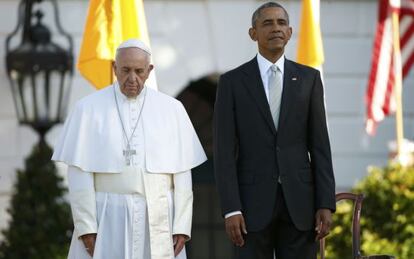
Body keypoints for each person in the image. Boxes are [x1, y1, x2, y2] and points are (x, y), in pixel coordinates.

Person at [52, 39, 207, 259]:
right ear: (115, 68)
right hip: (107, 216)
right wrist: (87, 226)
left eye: (139, 71)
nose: (132, 79)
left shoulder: (172, 109)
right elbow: (79, 174)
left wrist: (182, 225)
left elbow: (182, 174)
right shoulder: (88, 109)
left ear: (149, 70)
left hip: (158, 217)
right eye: (125, 70)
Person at [213, 2, 336, 259]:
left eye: (281, 23)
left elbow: (320, 146)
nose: (276, 28)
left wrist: (325, 202)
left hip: (301, 206)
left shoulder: (310, 79)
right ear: (253, 33)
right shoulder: (232, 83)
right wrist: (230, 209)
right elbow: (224, 152)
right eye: (267, 23)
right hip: (249, 209)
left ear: (290, 32)